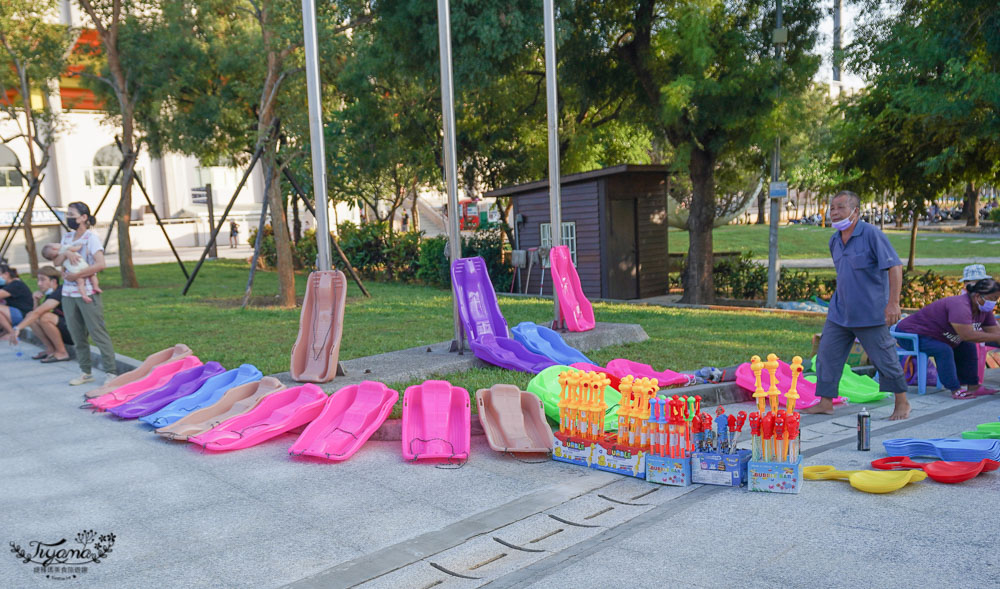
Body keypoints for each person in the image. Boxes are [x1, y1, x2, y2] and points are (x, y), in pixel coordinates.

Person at [807, 190, 912, 420]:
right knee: (827, 355)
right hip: (840, 311)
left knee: (884, 357)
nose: (834, 212)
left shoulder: (871, 234)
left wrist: (893, 303)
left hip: (871, 312)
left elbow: (895, 266)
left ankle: (902, 402)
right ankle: (825, 402)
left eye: (840, 207)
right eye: (832, 207)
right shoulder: (834, 240)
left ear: (855, 211)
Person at [894, 279, 1000, 399]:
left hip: (938, 335)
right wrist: (996, 337)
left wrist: (997, 338)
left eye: (996, 299)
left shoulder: (983, 310)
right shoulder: (960, 305)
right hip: (911, 333)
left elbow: (995, 333)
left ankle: (973, 386)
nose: (994, 303)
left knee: (968, 346)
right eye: (992, 299)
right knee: (943, 349)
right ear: (977, 296)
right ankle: (955, 389)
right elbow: (968, 335)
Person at [61, 201, 117, 386]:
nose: (68, 217)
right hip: (68, 294)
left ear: (84, 217)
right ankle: (85, 371)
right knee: (77, 335)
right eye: (67, 214)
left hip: (88, 293)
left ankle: (111, 372)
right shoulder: (67, 237)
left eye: (72, 214)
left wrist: (77, 275)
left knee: (97, 332)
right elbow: (56, 261)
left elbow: (100, 264)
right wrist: (66, 254)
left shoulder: (91, 238)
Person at [9, 266, 72, 362]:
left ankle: (62, 352)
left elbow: (38, 313)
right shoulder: (50, 294)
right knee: (30, 316)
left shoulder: (60, 291)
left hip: (75, 333)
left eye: (42, 280)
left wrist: (17, 328)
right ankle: (50, 350)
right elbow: (35, 315)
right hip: (65, 329)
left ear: (53, 281)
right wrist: (35, 300)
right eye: (38, 280)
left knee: (45, 317)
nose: (39, 283)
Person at [0, 264, 33, 342]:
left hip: (24, 315)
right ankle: (5, 331)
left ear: (6, 274)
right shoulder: (6, 284)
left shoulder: (16, 284)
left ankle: (12, 333)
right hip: (14, 313)